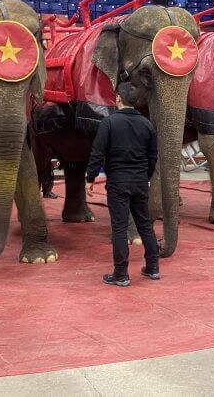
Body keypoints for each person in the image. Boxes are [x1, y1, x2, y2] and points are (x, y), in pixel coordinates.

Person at [85, 82, 159, 286]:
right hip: (141, 182)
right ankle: (152, 267)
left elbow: (97, 153)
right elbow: (153, 156)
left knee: (119, 228)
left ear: (118, 98)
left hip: (118, 182)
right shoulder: (147, 124)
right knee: (145, 224)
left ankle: (121, 274)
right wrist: (146, 176)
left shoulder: (109, 123)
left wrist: (90, 178)